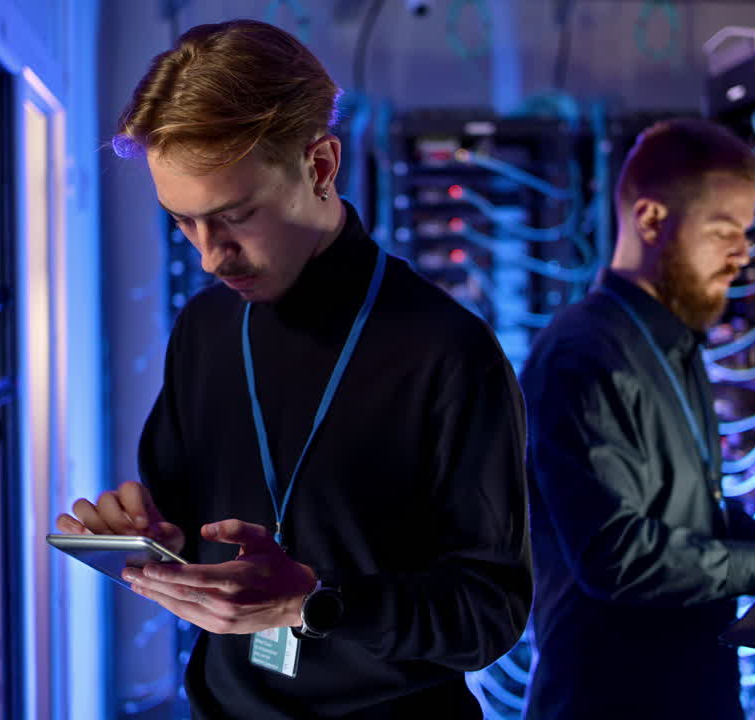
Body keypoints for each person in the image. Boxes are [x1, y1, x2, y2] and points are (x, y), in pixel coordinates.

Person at [55, 19, 531, 720]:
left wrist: (313, 601)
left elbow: (489, 614)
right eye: (184, 223)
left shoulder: (449, 352)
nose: (211, 256)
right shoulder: (204, 329)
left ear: (320, 166)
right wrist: (154, 534)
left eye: (236, 216)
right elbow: (186, 521)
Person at [520, 117, 755, 719]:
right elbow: (616, 556)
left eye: (744, 232)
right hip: (614, 701)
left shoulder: (672, 342)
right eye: (723, 232)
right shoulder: (583, 358)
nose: (743, 255)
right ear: (651, 219)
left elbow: (684, 518)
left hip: (687, 689)